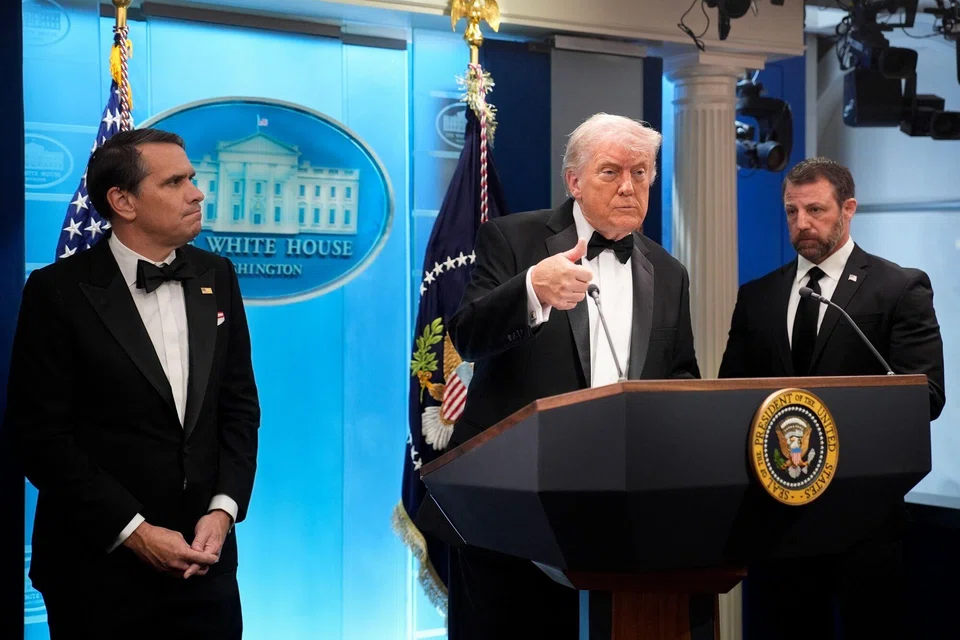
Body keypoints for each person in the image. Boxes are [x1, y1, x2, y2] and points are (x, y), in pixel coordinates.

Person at [445, 113, 700, 639]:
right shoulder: (513, 238)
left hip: (623, 520)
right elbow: (467, 337)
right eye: (611, 172)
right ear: (574, 181)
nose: (629, 186)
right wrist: (532, 290)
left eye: (642, 172)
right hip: (518, 517)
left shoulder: (669, 271)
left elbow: (681, 377)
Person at [5, 128, 260, 638]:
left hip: (204, 567)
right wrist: (135, 532)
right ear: (123, 201)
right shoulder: (56, 292)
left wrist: (223, 510)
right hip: (97, 572)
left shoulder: (218, 275)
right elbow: (39, 438)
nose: (197, 192)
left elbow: (238, 407)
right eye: (175, 182)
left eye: (192, 177)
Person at [718, 157, 945, 639]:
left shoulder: (899, 288)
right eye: (791, 212)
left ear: (849, 209)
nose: (802, 224)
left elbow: (925, 395)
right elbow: (731, 395)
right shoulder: (758, 296)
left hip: (864, 519)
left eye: (816, 210)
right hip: (777, 519)